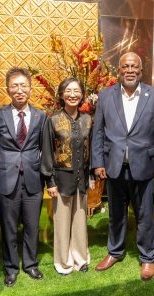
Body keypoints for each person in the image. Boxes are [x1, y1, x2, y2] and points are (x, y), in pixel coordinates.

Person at [91, 52, 154, 281]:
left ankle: (147, 257)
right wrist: (98, 162)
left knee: (145, 215)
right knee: (116, 214)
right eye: (125, 66)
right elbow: (98, 132)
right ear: (119, 69)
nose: (129, 70)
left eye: (134, 66)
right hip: (114, 166)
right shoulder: (105, 96)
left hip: (144, 167)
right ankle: (114, 251)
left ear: (141, 70)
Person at [0, 67, 47, 287]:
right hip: (7, 179)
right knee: (9, 227)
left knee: (32, 225)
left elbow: (43, 147)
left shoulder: (41, 116)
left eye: (23, 86)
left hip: (33, 179)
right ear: (8, 89)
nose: (19, 90)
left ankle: (30, 264)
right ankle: (11, 267)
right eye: (15, 86)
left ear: (30, 89)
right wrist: (9, 162)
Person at [41, 77, 92, 275]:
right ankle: (63, 262)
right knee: (62, 223)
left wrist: (93, 176)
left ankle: (80, 259)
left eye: (76, 91)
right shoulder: (52, 120)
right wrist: (50, 181)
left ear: (82, 95)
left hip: (82, 178)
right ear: (62, 95)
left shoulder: (88, 119)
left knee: (80, 220)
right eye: (68, 91)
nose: (73, 94)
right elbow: (47, 152)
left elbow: (91, 149)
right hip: (61, 180)